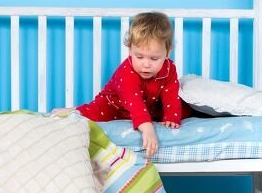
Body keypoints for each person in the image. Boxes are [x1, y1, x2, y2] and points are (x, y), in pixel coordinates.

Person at [53, 11, 193, 158]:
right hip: (115, 105)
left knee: (183, 109)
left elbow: (170, 93)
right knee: (93, 113)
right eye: (139, 56)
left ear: (168, 52)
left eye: (154, 58)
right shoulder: (126, 73)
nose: (146, 64)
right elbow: (134, 103)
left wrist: (171, 117)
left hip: (149, 105)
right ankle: (74, 110)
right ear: (130, 50)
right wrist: (147, 129)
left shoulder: (169, 69)